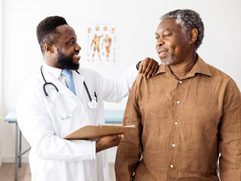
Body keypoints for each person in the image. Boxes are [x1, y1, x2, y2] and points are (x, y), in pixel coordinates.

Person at [16, 16, 158, 181]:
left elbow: (118, 90)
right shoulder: (31, 93)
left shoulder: (89, 77)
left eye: (76, 41)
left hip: (93, 173)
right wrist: (95, 147)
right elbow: (44, 145)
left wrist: (139, 66)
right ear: (49, 48)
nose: (78, 47)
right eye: (70, 43)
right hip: (59, 175)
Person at [115, 9, 241, 181]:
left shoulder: (224, 86)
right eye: (157, 37)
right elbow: (128, 142)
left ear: (192, 35)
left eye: (166, 35)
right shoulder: (144, 82)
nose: (159, 43)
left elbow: (233, 151)